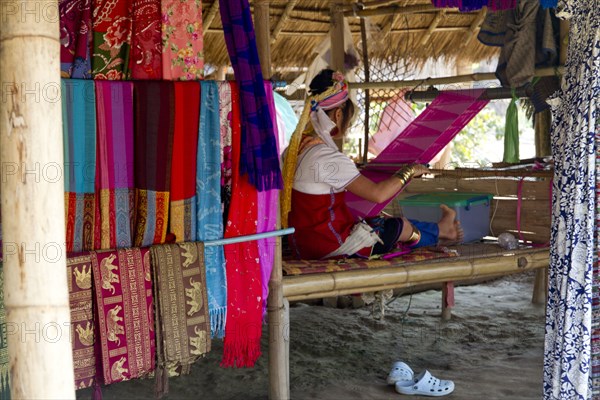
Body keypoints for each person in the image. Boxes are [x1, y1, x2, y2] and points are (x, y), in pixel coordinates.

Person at [282, 69, 463, 260]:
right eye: (348, 118)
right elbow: (379, 194)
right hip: (328, 245)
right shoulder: (326, 156)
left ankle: (443, 229)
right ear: (337, 115)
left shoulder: (297, 149)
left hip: (302, 243)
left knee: (378, 221)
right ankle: (441, 233)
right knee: (399, 226)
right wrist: (409, 171)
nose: (348, 124)